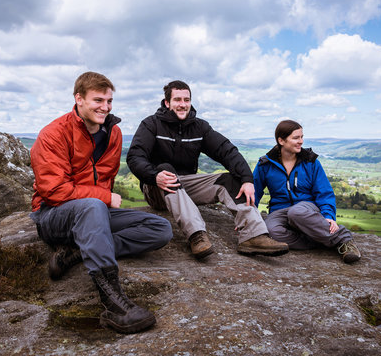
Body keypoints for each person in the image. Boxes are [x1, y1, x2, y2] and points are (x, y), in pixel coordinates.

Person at [29, 71, 173, 333]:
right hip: (52, 215)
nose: (105, 107)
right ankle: (112, 303)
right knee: (94, 205)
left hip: (93, 214)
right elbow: (53, 190)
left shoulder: (114, 133)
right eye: (98, 100)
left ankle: (78, 252)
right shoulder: (53, 134)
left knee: (160, 229)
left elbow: (104, 180)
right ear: (79, 99)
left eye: (109, 101)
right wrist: (104, 198)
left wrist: (101, 201)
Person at [126, 80, 288, 259]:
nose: (182, 104)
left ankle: (253, 235)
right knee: (166, 170)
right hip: (157, 187)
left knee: (228, 180)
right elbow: (135, 157)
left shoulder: (199, 127)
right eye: (177, 100)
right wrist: (154, 175)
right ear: (167, 103)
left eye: (186, 100)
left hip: (186, 187)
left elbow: (226, 151)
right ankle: (197, 236)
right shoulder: (151, 124)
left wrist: (247, 180)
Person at [253, 120, 361, 263]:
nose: (301, 141)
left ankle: (344, 240)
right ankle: (319, 239)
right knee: (271, 231)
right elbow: (254, 193)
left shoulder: (310, 162)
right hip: (279, 210)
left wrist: (328, 216)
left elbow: (324, 192)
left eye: (302, 137)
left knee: (296, 212)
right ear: (281, 140)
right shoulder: (265, 164)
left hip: (306, 208)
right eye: (296, 138)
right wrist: (247, 219)